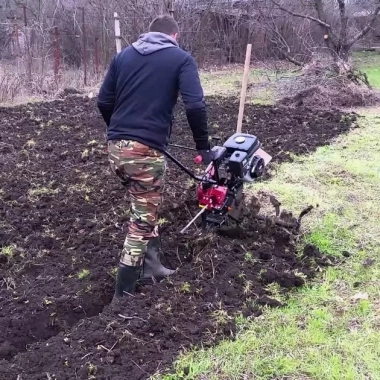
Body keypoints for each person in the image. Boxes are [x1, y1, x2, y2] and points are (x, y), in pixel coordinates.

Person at [97, 15, 213, 298]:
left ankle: (152, 268)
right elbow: (195, 105)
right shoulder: (181, 59)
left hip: (115, 148)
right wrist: (203, 147)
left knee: (144, 205)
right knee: (141, 222)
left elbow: (103, 101)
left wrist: (121, 131)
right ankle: (122, 295)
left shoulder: (123, 56)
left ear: (148, 34)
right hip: (145, 152)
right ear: (175, 35)